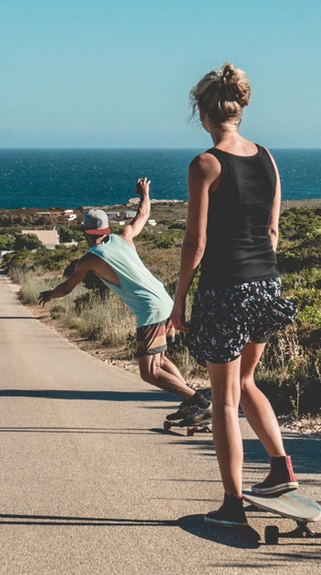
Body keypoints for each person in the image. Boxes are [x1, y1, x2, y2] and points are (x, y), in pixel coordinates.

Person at [171, 64, 300, 527]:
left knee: (224, 400)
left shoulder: (206, 163)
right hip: (267, 283)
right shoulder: (266, 156)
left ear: (203, 112)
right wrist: (261, 276)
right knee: (246, 383)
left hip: (226, 289)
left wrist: (180, 299)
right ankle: (281, 468)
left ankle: (232, 505)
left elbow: (195, 243)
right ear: (239, 109)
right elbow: (272, 229)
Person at [38, 178, 211, 420]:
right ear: (107, 228)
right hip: (166, 301)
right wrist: (144, 193)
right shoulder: (125, 236)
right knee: (160, 360)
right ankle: (191, 403)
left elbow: (66, 289)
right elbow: (144, 213)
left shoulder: (89, 258)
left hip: (150, 311)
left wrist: (50, 294)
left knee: (149, 372)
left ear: (86, 232)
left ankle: (197, 401)